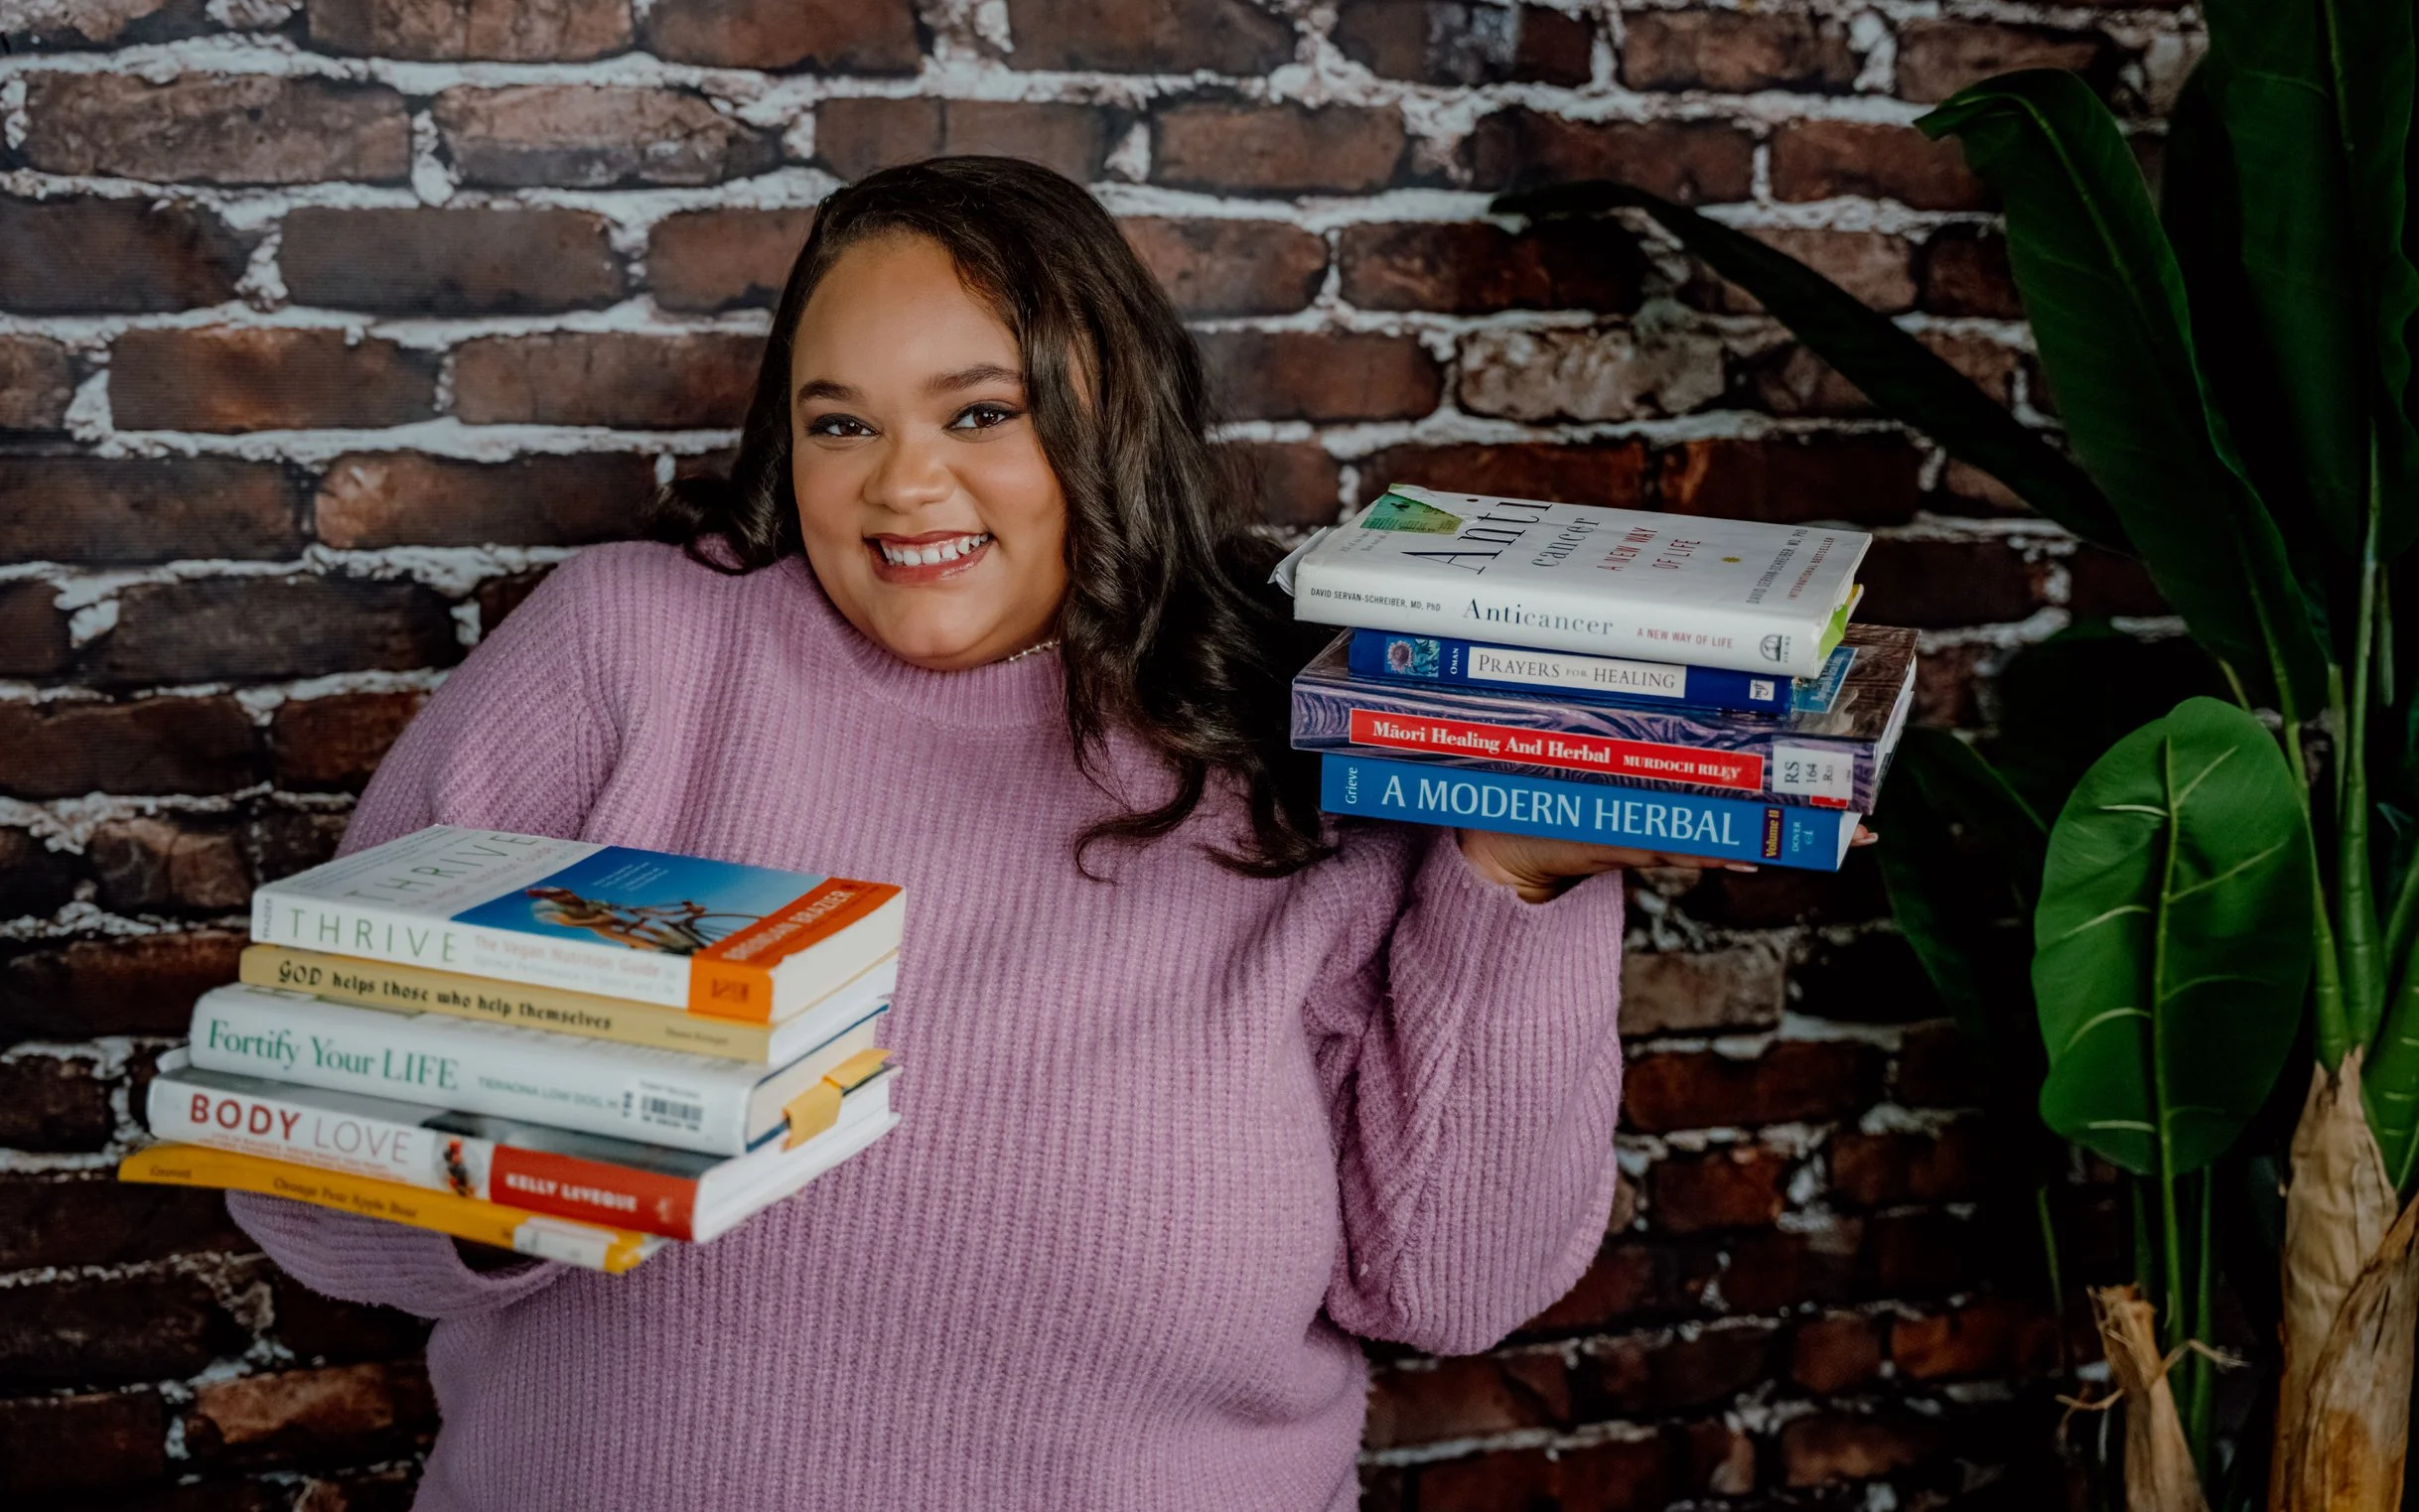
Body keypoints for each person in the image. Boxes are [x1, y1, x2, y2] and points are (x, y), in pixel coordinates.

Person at [230, 157, 1720, 1511]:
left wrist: (1517, 874)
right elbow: (293, 1176)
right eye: (840, 423)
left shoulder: (1298, 741)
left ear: (1110, 416)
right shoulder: (629, 654)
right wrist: (521, 1167)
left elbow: (1448, 1288)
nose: (902, 483)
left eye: (981, 412)